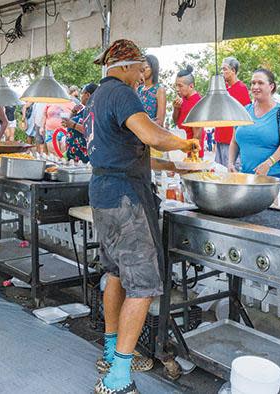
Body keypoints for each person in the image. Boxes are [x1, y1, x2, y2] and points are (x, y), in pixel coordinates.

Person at [88, 39, 199, 394]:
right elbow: (151, 134)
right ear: (125, 66)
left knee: (116, 273)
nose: (141, 76)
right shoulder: (122, 92)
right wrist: (184, 143)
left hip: (104, 192)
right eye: (139, 69)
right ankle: (117, 377)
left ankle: (111, 351)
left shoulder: (98, 97)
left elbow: (126, 149)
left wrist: (169, 164)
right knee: (145, 284)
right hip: (125, 199)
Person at [228, 68, 280, 189]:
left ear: (271, 86)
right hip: (246, 178)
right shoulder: (244, 110)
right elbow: (234, 141)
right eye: (253, 83)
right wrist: (230, 163)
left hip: (274, 178)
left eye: (260, 83)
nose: (255, 86)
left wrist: (268, 163)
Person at [215, 57, 251, 167]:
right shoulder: (223, 88)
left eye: (225, 69)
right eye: (222, 69)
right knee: (219, 172)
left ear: (233, 71)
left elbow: (245, 116)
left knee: (231, 175)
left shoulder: (241, 88)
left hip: (231, 140)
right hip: (219, 138)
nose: (222, 72)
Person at [172, 66, 205, 157]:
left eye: (180, 86)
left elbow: (197, 135)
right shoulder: (182, 99)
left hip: (192, 154)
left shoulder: (197, 102)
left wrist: (191, 157)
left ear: (191, 86)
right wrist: (176, 108)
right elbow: (176, 122)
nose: (177, 89)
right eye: (176, 85)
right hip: (182, 151)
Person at [63, 83, 98, 162]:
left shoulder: (94, 111)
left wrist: (73, 125)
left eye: (82, 93)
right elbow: (71, 123)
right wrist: (73, 113)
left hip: (84, 157)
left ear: (88, 95)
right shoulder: (85, 109)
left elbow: (90, 131)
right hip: (74, 154)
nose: (80, 96)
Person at [137, 54, 166, 127]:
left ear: (153, 68)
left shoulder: (159, 90)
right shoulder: (138, 89)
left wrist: (141, 126)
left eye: (145, 68)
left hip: (150, 133)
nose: (142, 71)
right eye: (141, 68)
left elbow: (160, 121)